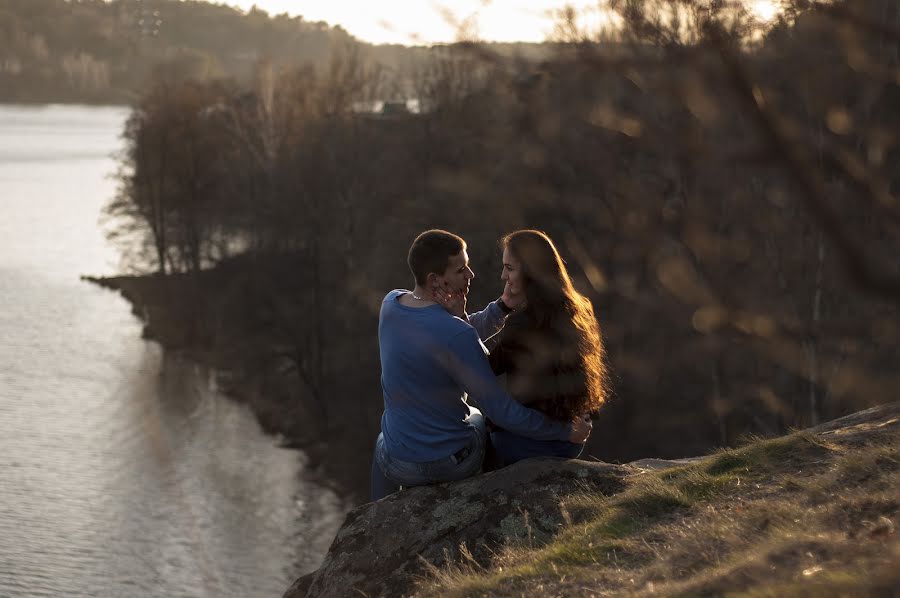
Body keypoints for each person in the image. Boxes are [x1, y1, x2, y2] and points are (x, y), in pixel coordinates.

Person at [371, 229, 592, 501]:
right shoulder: (457, 333)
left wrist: (500, 307)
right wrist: (565, 431)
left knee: (383, 439)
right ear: (435, 280)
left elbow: (449, 340)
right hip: (450, 463)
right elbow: (502, 412)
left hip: (398, 463)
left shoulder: (390, 305)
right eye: (461, 269)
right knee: (478, 418)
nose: (470, 275)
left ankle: (379, 513)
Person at [483, 230, 608, 468]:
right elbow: (590, 377)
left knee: (473, 433)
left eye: (509, 268)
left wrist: (499, 310)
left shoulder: (522, 324)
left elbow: (481, 370)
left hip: (529, 443)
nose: (503, 276)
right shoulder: (580, 310)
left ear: (529, 271)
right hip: (571, 443)